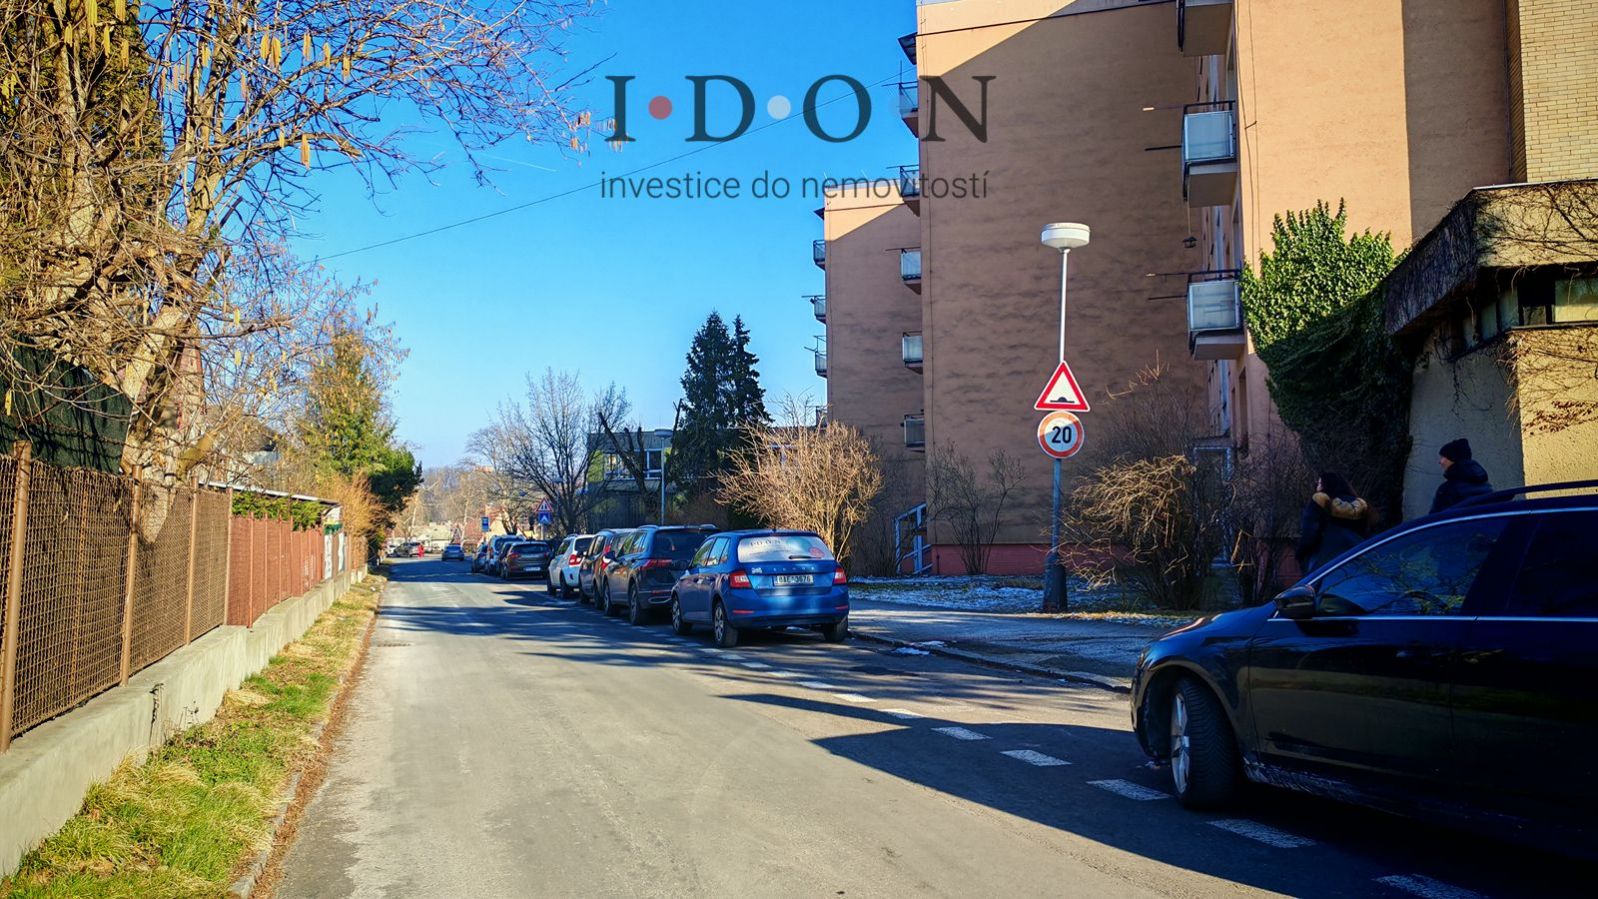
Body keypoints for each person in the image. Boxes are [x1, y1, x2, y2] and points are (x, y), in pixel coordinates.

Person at [1296, 472, 1372, 574]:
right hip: (1356, 555)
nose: (1317, 486)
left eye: (1319, 483)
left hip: (1325, 558)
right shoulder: (1360, 505)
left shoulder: (1320, 502)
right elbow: (1368, 531)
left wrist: (1301, 553)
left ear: (1326, 485)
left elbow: (1310, 532)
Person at [1429, 438, 1493, 514]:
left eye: (1443, 457)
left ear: (1453, 459)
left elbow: (1436, 518)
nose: (1440, 462)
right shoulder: (1486, 486)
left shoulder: (1447, 490)